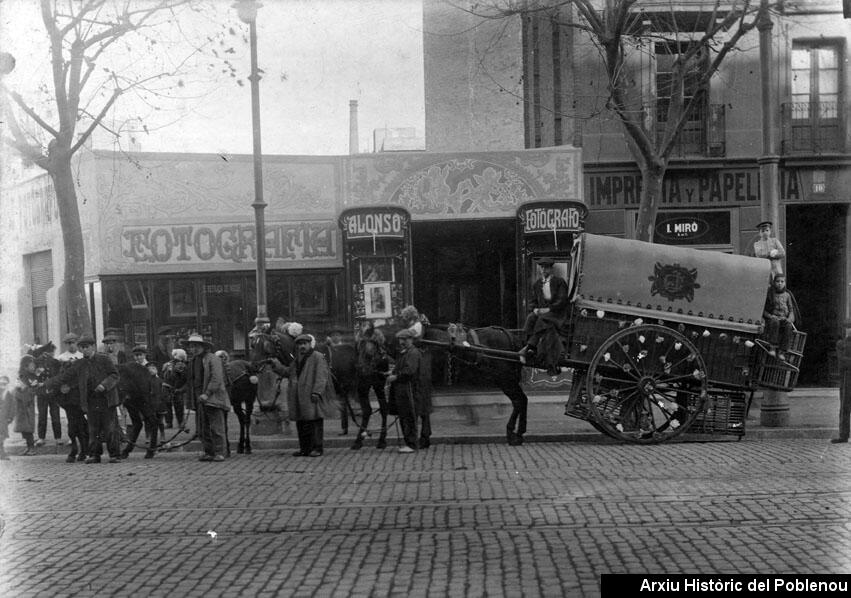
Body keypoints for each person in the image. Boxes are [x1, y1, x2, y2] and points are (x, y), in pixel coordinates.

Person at [49, 335, 122, 463]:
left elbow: (115, 375)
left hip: (106, 399)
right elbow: (65, 376)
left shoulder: (104, 359)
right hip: (90, 400)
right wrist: (47, 384)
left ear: (93, 346)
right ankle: (95, 455)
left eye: (87, 347)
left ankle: (114, 455)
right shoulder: (79, 364)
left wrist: (104, 385)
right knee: (93, 429)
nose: (84, 350)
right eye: (82, 348)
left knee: (109, 428)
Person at [270, 334, 336, 458]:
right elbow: (288, 372)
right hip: (299, 397)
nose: (302, 346)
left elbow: (322, 376)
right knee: (302, 423)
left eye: (304, 344)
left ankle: (317, 448)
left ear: (309, 344)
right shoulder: (297, 360)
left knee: (315, 421)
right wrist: (276, 366)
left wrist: (317, 392)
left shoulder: (318, 357)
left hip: (311, 396)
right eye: (300, 344)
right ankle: (304, 448)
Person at [519, 257, 570, 376]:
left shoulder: (559, 281)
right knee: (531, 317)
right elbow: (533, 301)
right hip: (543, 313)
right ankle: (527, 345)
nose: (543, 270)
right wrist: (535, 309)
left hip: (557, 313)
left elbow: (562, 300)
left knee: (542, 319)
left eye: (546, 267)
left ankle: (529, 347)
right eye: (542, 267)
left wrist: (548, 309)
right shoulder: (537, 284)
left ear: (551, 269)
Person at [185, 333, 230, 462]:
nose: (193, 349)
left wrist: (207, 393)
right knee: (203, 428)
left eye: (196, 346)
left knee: (216, 427)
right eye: (191, 346)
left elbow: (216, 378)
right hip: (199, 400)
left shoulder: (213, 359)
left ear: (203, 347)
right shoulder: (193, 361)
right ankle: (209, 452)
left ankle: (221, 452)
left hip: (213, 398)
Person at [386, 328, 431, 453]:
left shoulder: (413, 353)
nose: (401, 342)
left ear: (411, 339)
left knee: (409, 417)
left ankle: (412, 444)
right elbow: (401, 367)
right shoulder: (404, 353)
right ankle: (409, 442)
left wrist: (396, 376)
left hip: (410, 390)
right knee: (404, 417)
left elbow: (410, 371)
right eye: (400, 339)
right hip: (402, 391)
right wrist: (392, 371)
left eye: (404, 339)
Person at [351, 321, 390, 450]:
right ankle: (364, 436)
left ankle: (382, 436)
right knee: (367, 405)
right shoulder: (360, 343)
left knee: (381, 401)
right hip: (364, 374)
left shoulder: (376, 345)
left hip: (374, 372)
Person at [118, 345, 161, 460]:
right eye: (135, 355)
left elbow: (155, 380)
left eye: (140, 355)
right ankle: (130, 448)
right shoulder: (132, 367)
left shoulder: (148, 366)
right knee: (136, 421)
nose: (137, 358)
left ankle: (152, 448)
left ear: (144, 355)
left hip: (145, 393)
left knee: (150, 419)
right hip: (132, 394)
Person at [56, 332, 89, 463]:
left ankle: (83, 449)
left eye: (73, 342)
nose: (71, 345)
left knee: (81, 422)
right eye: (68, 343)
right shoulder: (62, 358)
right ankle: (76, 448)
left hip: (80, 393)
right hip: (68, 395)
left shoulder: (82, 356)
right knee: (72, 422)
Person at [35, 337, 64, 447]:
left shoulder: (56, 363)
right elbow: (34, 376)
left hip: (53, 393)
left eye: (52, 352)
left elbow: (59, 377)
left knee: (55, 416)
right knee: (42, 416)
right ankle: (41, 438)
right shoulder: (37, 362)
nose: (52, 354)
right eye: (51, 352)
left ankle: (58, 438)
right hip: (41, 393)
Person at [762, 273, 798, 362]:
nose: (780, 283)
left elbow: (791, 310)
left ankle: (782, 351)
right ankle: (773, 348)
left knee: (789, 326)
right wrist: (771, 316)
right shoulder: (770, 294)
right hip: (773, 318)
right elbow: (764, 310)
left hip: (784, 319)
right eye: (777, 281)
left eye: (782, 281)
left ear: (785, 283)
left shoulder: (787, 295)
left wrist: (789, 319)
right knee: (775, 322)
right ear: (774, 283)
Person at [12, 356, 39, 456]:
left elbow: (31, 390)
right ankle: (29, 447)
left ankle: (31, 448)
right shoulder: (22, 376)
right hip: (21, 405)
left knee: (28, 427)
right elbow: (18, 389)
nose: (34, 367)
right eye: (32, 365)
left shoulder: (32, 376)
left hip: (27, 405)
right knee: (24, 428)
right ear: (25, 366)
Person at [161, 348, 188, 432]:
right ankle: (175, 423)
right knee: (169, 405)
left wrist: (181, 389)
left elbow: (184, 378)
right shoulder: (169, 364)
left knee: (176, 405)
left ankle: (176, 423)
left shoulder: (179, 365)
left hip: (174, 387)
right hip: (170, 387)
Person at [831, 331, 851, 444]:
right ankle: (843, 435)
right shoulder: (841, 344)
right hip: (847, 378)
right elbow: (842, 362)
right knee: (844, 407)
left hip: (847, 375)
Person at [0, 375, 12, 460]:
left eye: (5, 384)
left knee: (2, 436)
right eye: (1, 384)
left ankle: (2, 453)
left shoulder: (8, 394)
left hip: (3, 419)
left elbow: (12, 407)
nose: (3, 386)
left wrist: (10, 417)